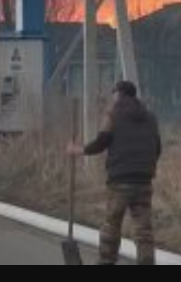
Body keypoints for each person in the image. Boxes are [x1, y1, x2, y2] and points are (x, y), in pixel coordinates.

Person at [68, 81, 162, 266]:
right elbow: (157, 148)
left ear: (119, 94)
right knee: (144, 230)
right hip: (144, 181)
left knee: (112, 225)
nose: (112, 98)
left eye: (113, 94)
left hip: (119, 181)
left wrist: (78, 150)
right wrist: (145, 168)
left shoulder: (113, 115)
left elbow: (102, 141)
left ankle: (106, 262)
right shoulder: (151, 117)